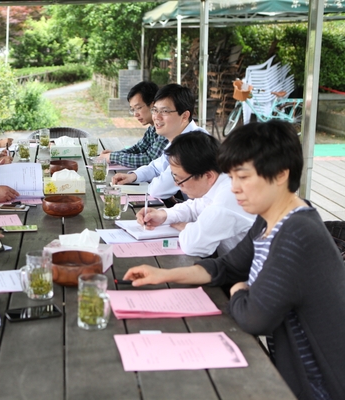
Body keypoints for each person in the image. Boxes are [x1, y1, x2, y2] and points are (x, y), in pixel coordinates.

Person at [124, 120, 345, 400]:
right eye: (232, 178)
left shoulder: (298, 233)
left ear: (280, 175)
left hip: (317, 382)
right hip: (289, 365)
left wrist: (239, 290)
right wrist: (164, 275)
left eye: (244, 178)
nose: (235, 188)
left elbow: (254, 318)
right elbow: (227, 266)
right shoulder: (270, 218)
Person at [137, 131, 254, 257]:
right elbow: (194, 208)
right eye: (174, 177)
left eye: (180, 179)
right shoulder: (219, 182)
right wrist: (164, 215)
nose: (176, 184)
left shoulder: (231, 194)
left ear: (208, 176)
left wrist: (189, 227)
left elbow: (194, 245)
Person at [111, 84, 205, 202]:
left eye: (164, 111)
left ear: (185, 116)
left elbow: (159, 190)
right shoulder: (179, 139)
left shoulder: (193, 145)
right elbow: (155, 167)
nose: (156, 117)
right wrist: (133, 176)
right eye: (155, 110)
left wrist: (150, 184)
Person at [100, 81, 168, 168]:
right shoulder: (152, 129)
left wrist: (112, 157)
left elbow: (150, 159)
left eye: (138, 108)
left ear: (153, 105)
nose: (135, 114)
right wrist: (114, 154)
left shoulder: (166, 128)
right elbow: (138, 148)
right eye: (133, 109)